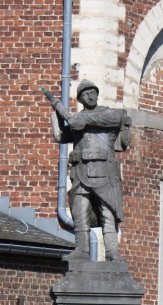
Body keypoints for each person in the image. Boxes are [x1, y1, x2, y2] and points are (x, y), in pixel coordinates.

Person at [45, 80, 132, 261]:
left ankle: (112, 252)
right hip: (81, 172)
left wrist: (73, 117)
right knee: (80, 212)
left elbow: (84, 121)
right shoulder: (78, 121)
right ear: (80, 99)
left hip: (105, 172)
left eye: (93, 92)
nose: (90, 96)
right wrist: (57, 115)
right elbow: (62, 135)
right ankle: (82, 250)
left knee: (108, 212)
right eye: (85, 94)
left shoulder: (110, 115)